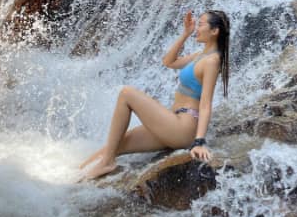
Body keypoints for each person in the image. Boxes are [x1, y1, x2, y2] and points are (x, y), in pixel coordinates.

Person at [79, 10, 230, 179]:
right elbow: (169, 62)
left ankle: (107, 163)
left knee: (126, 93)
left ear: (214, 31)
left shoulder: (212, 61)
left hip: (183, 129)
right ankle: (77, 176)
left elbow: (206, 103)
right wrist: (185, 34)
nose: (196, 27)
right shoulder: (200, 55)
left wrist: (199, 142)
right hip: (173, 123)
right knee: (114, 146)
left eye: (201, 24)